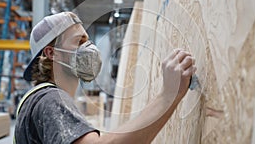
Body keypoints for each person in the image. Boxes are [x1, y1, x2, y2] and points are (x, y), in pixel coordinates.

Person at [14, 12, 196, 144]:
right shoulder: (50, 100)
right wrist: (168, 95)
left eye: (87, 41)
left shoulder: (37, 101)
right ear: (51, 53)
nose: (90, 48)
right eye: (79, 41)